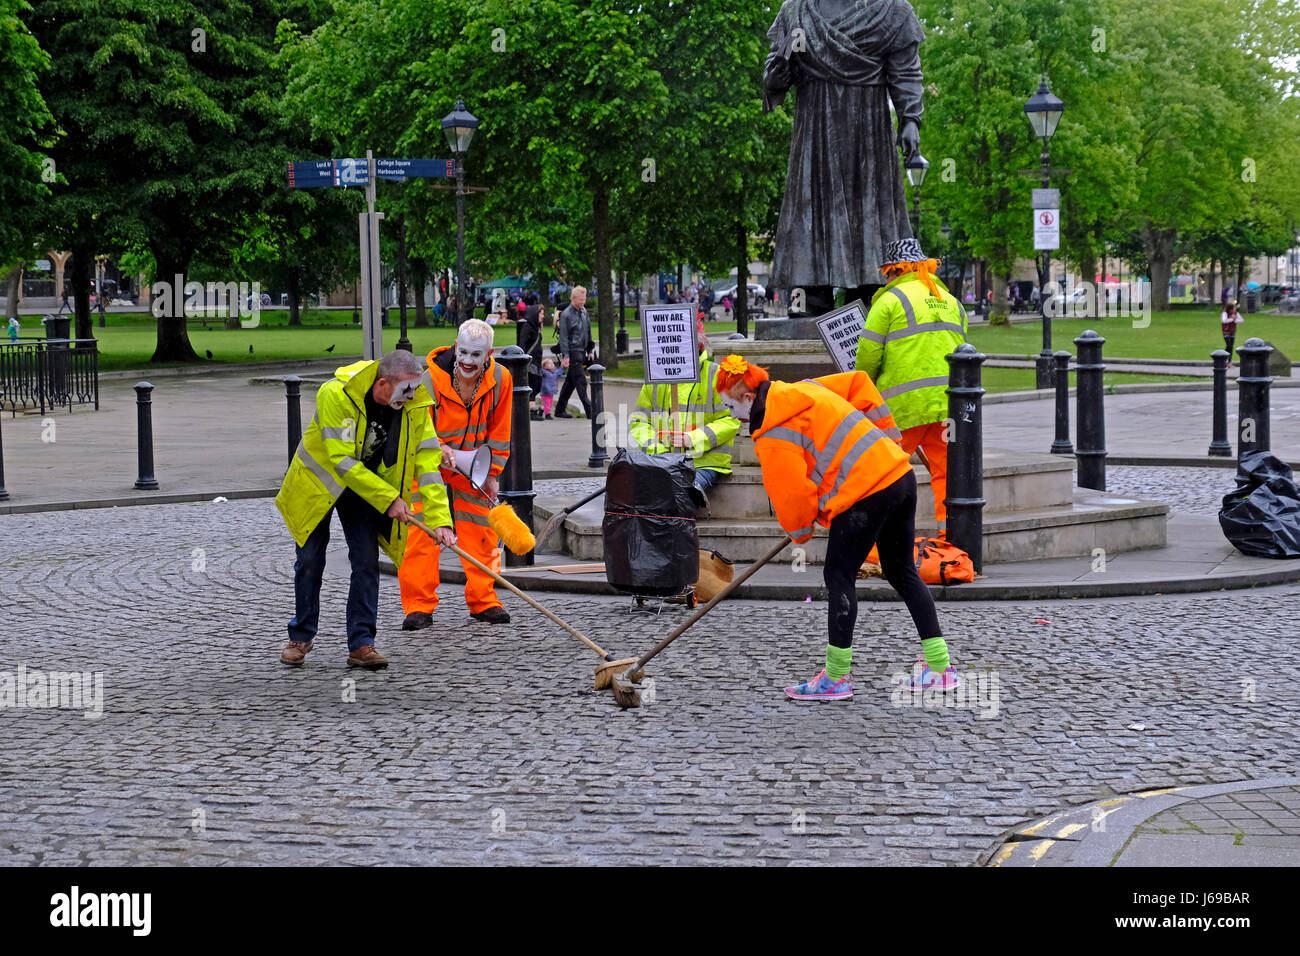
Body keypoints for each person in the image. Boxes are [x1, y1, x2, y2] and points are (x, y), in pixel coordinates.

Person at [714, 354, 958, 701]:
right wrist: (889, 443)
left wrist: (800, 531)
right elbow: (860, 385)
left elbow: (792, 494)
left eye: (730, 405)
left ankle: (836, 678)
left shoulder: (771, 434)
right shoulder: (805, 389)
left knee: (838, 576)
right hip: (898, 476)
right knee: (901, 570)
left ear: (749, 399)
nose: (731, 414)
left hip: (863, 493)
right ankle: (939, 668)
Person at [276, 349, 454, 671]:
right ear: (383, 383)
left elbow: (428, 462)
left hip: (365, 487)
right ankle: (300, 636)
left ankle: (361, 645)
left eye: (414, 389)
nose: (411, 397)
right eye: (405, 391)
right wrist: (388, 498)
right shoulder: (336, 394)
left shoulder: (414, 404)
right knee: (310, 561)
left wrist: (441, 520)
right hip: (320, 485)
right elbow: (341, 461)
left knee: (366, 560)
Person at [763, 0, 924, 316]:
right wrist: (776, 77)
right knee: (813, 204)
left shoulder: (891, 12)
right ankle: (812, 293)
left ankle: (869, 293)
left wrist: (910, 118)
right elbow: (778, 69)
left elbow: (906, 70)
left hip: (870, 127)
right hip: (815, 127)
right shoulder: (796, 12)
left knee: (869, 206)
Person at [399, 319, 514, 628]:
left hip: (474, 464)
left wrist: (492, 474)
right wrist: (439, 447)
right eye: (462, 352)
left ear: (489, 353)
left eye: (476, 355)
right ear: (455, 345)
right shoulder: (428, 381)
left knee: (481, 531)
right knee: (421, 533)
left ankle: (484, 600)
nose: (466, 361)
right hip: (428, 463)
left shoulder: (502, 380)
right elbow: (414, 429)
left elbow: (501, 432)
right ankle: (418, 606)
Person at [856, 238, 968, 536]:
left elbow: (868, 354)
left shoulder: (889, 302)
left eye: (887, 273)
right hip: (947, 405)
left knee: (885, 475)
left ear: (894, 270)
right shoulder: (950, 300)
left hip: (902, 410)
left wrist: (861, 391)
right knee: (947, 474)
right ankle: (952, 538)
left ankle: (882, 546)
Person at [628, 320, 739, 501]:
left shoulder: (717, 375)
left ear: (699, 344)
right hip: (662, 461)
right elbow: (640, 421)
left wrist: (692, 439)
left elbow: (730, 420)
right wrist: (658, 449)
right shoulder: (655, 380)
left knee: (680, 493)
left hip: (705, 463)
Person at [555, 285, 593, 418]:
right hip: (572, 351)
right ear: (573, 298)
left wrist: (590, 349)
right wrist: (566, 356)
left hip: (581, 351)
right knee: (581, 382)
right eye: (581, 299)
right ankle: (590, 411)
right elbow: (564, 337)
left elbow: (588, 332)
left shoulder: (583, 312)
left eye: (584, 299)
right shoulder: (566, 314)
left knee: (570, 383)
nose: (583, 301)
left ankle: (559, 410)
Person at [1221, 299, 1243, 367]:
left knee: (1231, 347)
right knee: (1229, 345)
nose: (1234, 310)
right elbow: (1224, 321)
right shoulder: (1224, 313)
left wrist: (1235, 319)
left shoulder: (1236, 314)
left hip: (1232, 331)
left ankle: (1229, 361)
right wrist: (1232, 319)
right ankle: (1224, 358)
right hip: (1226, 331)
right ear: (1229, 309)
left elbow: (1241, 320)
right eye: (1233, 308)